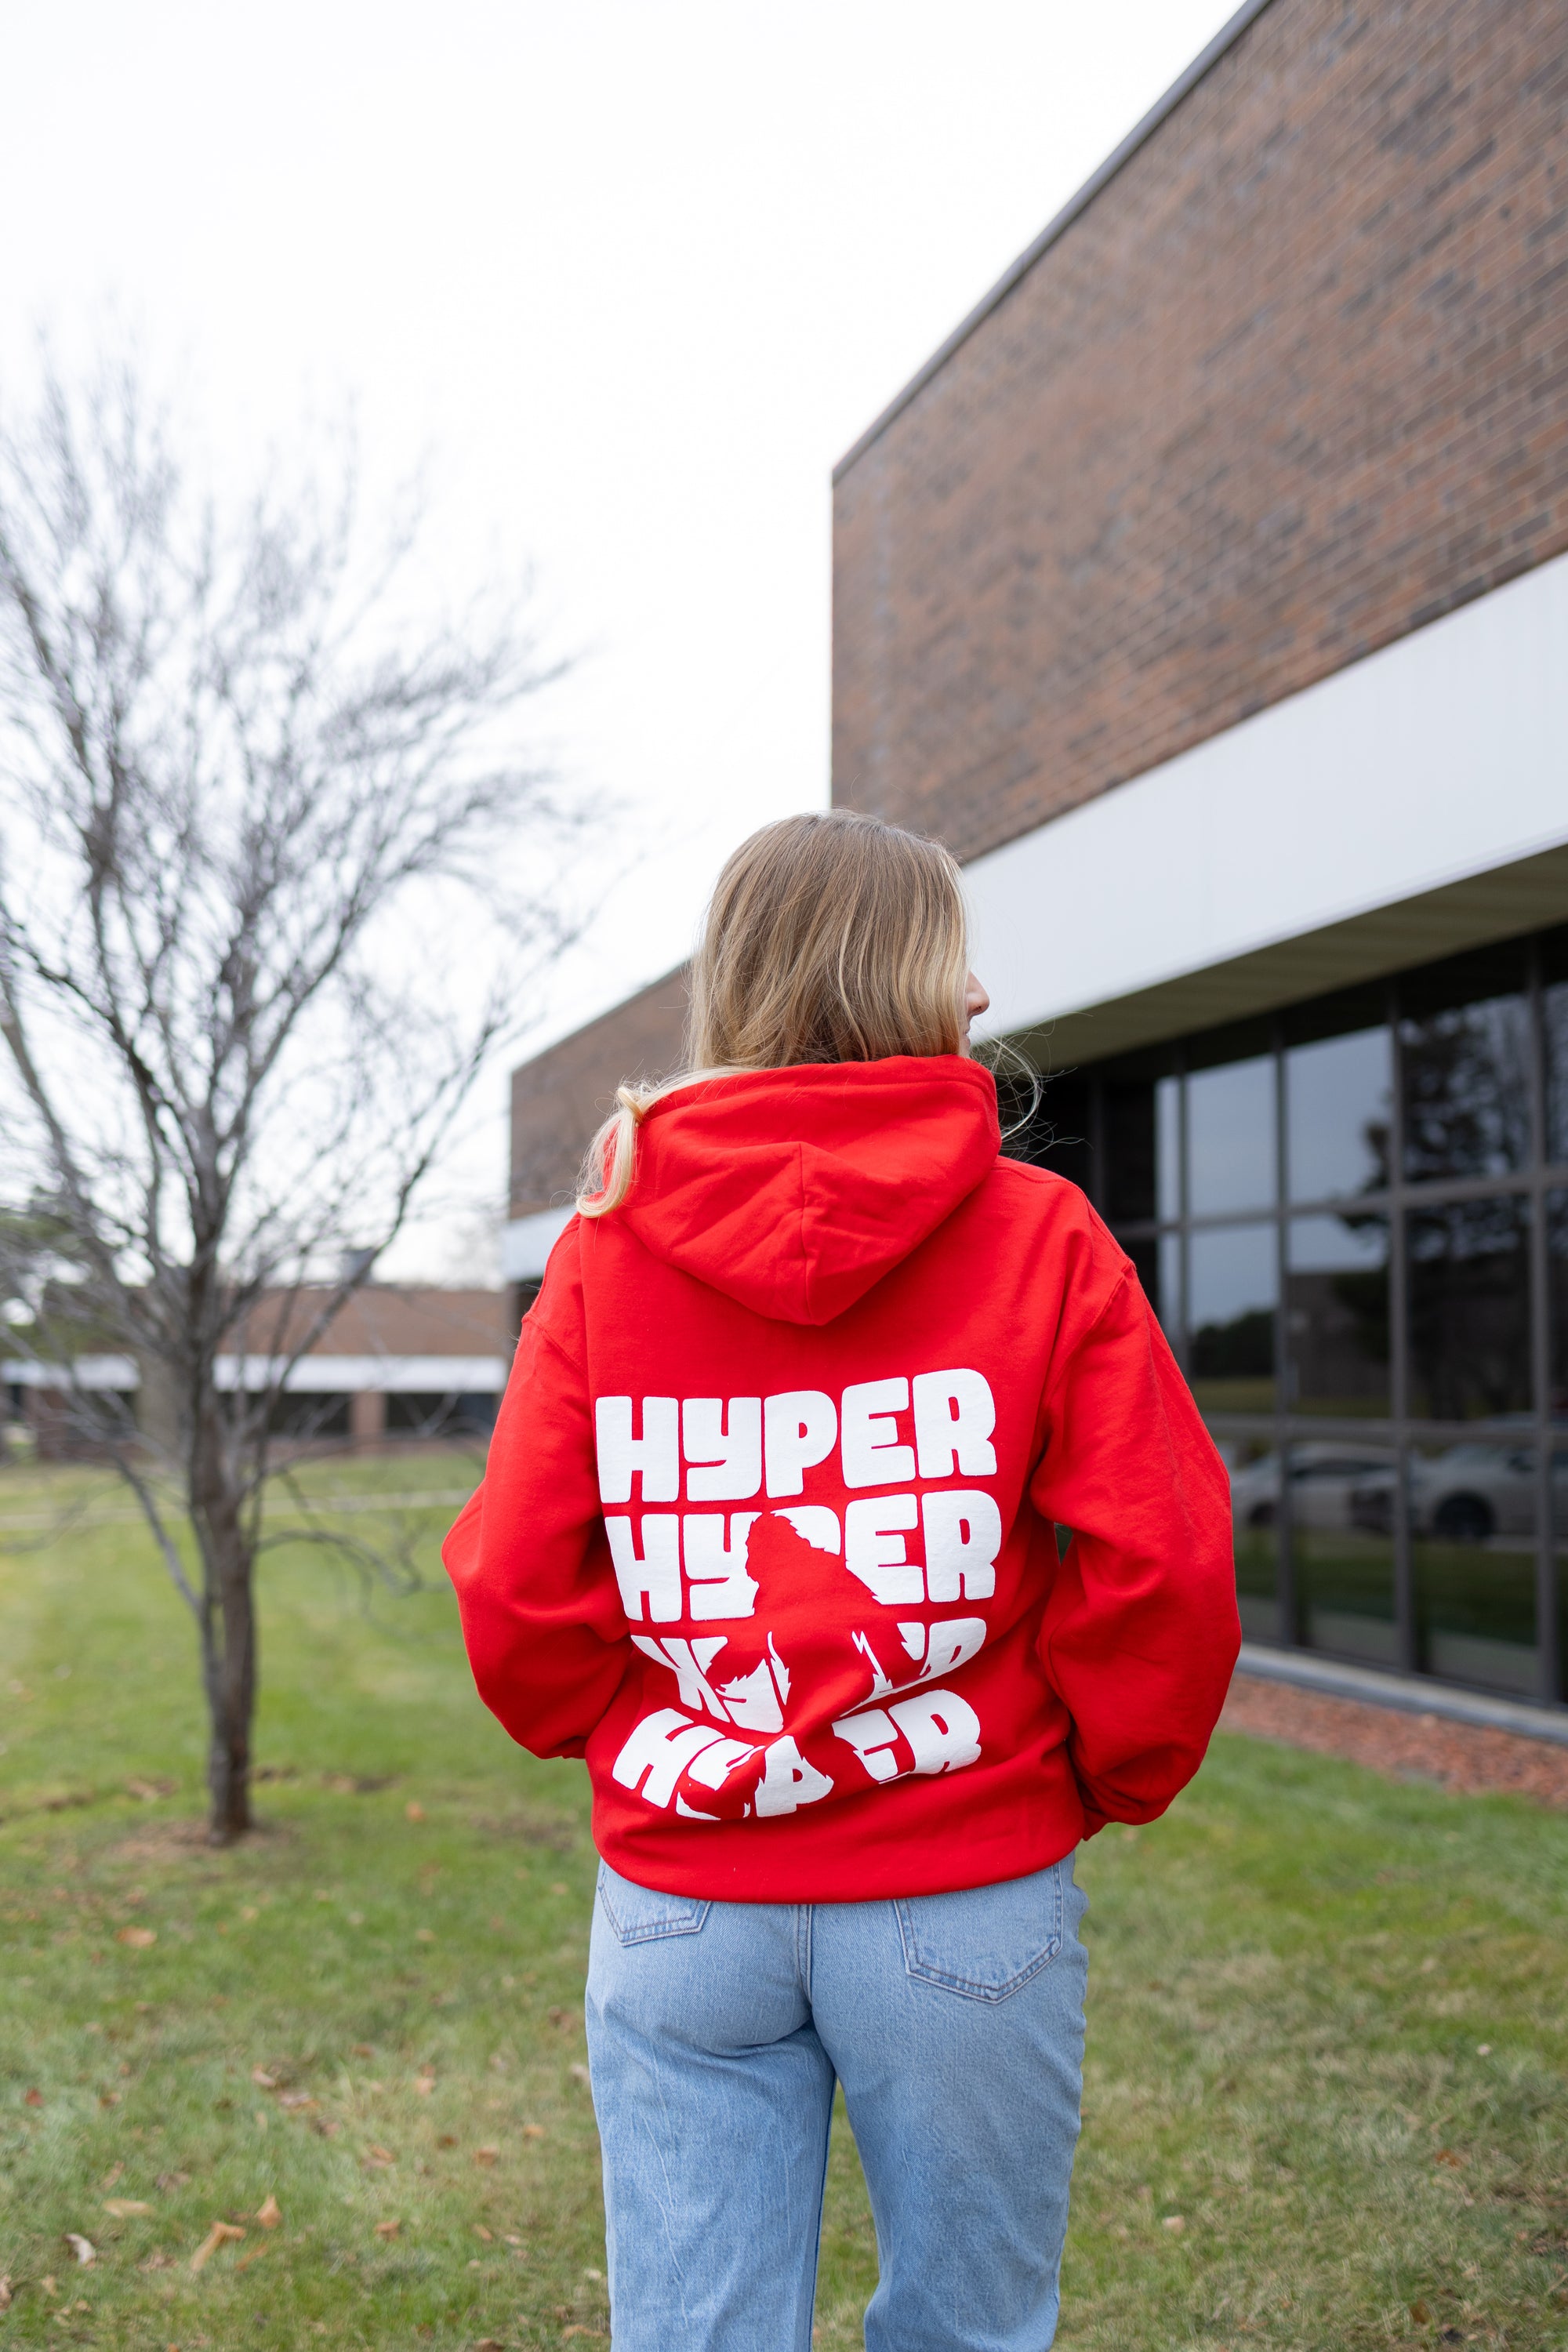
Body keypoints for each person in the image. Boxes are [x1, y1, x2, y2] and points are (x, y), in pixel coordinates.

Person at [444, 808, 1239, 2352]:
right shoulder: (1044, 1234)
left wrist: (625, 1732)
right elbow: (1166, 1560)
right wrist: (1095, 1775)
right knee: (970, 2333)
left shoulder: (609, 1249)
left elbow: (512, 1581)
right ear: (934, 982)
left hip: (684, 1902)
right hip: (966, 1883)